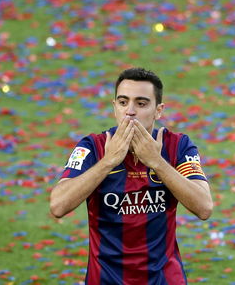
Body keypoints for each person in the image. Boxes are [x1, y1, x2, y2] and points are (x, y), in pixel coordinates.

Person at [50, 67, 213, 284]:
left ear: (158, 110)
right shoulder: (93, 147)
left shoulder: (177, 146)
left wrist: (156, 162)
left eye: (141, 103)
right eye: (123, 102)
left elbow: (204, 207)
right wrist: (108, 161)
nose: (130, 111)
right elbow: (58, 206)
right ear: (114, 106)